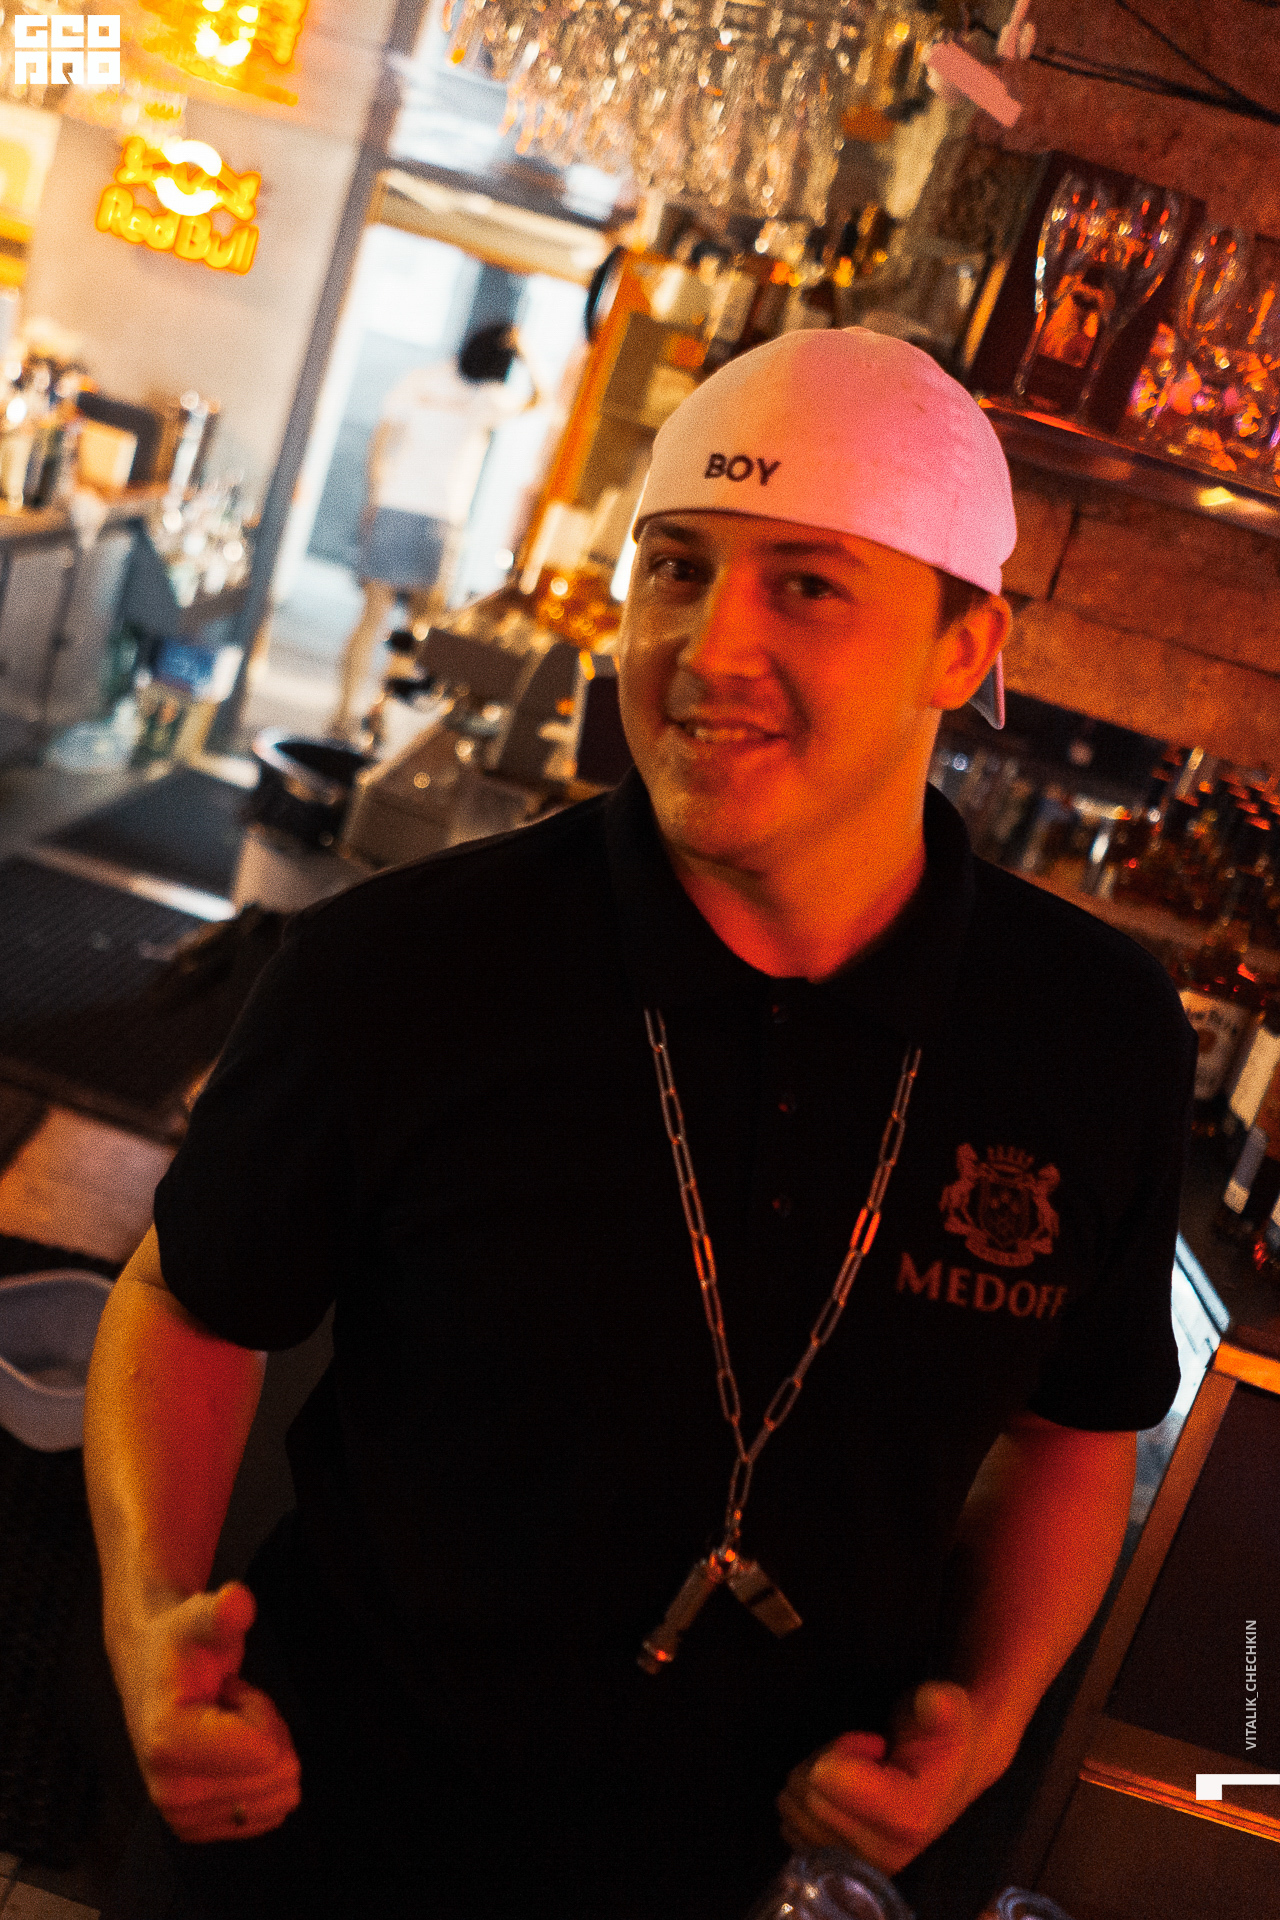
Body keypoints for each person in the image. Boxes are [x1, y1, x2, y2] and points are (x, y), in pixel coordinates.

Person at [85, 328, 1195, 1920]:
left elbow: (1078, 1432)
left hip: (766, 1875)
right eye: (677, 569)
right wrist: (146, 1622)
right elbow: (193, 1299)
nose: (709, 647)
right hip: (329, 1835)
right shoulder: (401, 966)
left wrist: (991, 1715)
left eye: (806, 585)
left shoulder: (1092, 1036)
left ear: (964, 647)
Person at [326, 320, 540, 740]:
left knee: (370, 619)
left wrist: (375, 499)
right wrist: (527, 353)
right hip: (440, 519)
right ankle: (379, 715)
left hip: (394, 507)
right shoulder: (487, 396)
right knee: (417, 628)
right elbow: (541, 400)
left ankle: (343, 714)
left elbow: (380, 442)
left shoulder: (421, 380)